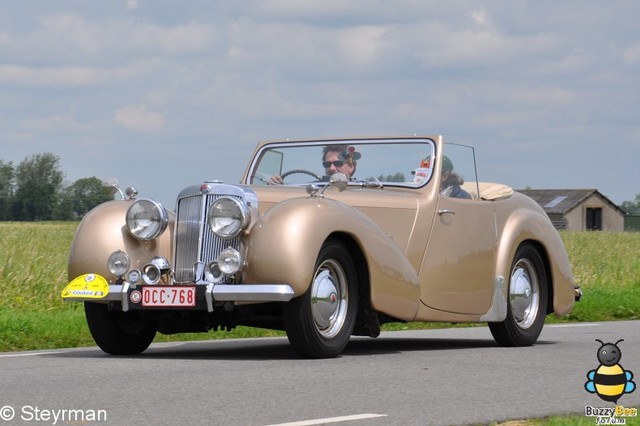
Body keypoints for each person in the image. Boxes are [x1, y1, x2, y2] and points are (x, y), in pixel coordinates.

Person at [268, 144, 360, 184]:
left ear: (351, 166)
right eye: (327, 164)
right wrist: (276, 184)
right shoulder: (313, 189)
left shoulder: (362, 192)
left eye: (337, 163)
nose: (331, 168)